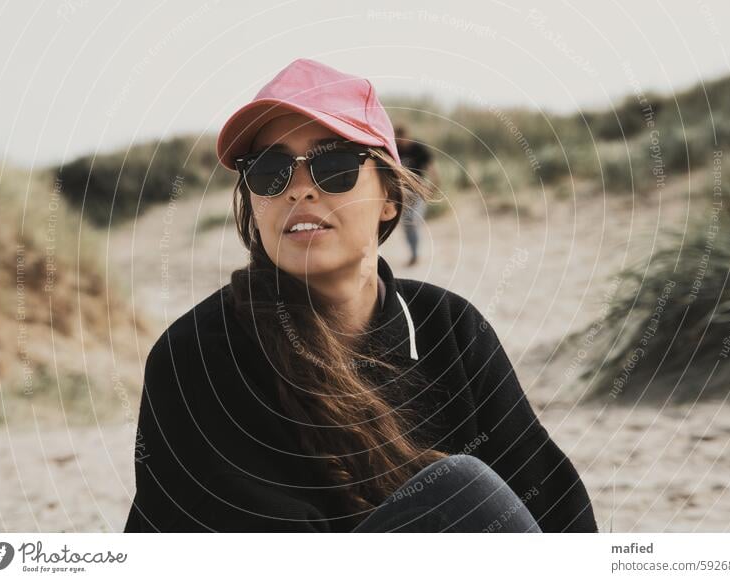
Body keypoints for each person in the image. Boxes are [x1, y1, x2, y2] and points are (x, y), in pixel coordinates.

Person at [123, 58, 597, 533]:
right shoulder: (200, 354)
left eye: (335, 165)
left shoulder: (446, 326)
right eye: (270, 170)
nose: (299, 190)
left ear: (391, 196)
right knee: (459, 491)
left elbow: (552, 505)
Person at [395, 125, 438, 266]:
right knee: (407, 224)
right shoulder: (395, 149)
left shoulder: (419, 148)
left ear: (408, 136)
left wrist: (434, 186)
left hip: (418, 190)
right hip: (402, 193)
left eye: (402, 139)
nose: (401, 142)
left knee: (413, 221)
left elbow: (431, 168)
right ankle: (413, 252)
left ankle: (415, 254)